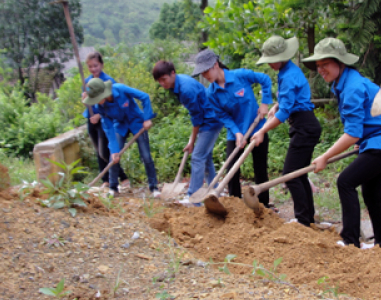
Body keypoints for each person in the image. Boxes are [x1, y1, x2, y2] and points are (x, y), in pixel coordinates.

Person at [303, 38, 381, 249]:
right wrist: (363, 140)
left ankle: (350, 240)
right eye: (318, 66)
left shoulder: (352, 87)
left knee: (345, 182)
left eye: (325, 64)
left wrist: (325, 157)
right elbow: (362, 125)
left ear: (340, 63)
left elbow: (352, 134)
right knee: (371, 195)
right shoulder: (344, 83)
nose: (321, 70)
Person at [251, 35, 322, 226]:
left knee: (290, 174)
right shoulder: (286, 71)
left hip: (305, 127)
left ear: (282, 57)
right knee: (299, 174)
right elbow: (287, 102)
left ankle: (302, 220)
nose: (270, 65)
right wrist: (276, 105)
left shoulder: (289, 75)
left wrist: (262, 130)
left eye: (272, 61)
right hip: (303, 124)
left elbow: (284, 114)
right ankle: (307, 217)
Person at [192, 49, 272, 208]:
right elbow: (222, 115)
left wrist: (264, 103)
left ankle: (263, 206)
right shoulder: (211, 93)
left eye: (206, 70)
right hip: (235, 133)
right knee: (231, 170)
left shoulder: (240, 76)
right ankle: (235, 205)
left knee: (260, 168)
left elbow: (265, 79)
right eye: (201, 72)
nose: (205, 76)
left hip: (257, 128)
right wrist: (236, 132)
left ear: (215, 65)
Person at [152, 60, 223, 201]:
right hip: (206, 118)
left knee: (197, 157)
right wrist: (193, 139)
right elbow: (196, 116)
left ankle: (193, 197)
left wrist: (192, 141)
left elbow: (196, 118)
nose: (162, 83)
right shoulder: (177, 84)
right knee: (205, 157)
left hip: (211, 120)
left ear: (173, 73)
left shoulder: (185, 89)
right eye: (159, 81)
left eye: (164, 79)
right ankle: (215, 190)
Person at [83, 78, 160, 197]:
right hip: (120, 125)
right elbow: (108, 128)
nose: (97, 102)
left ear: (104, 93)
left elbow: (144, 97)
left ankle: (154, 187)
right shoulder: (100, 107)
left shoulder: (120, 89)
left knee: (146, 155)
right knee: (113, 156)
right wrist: (114, 150)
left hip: (136, 122)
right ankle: (113, 188)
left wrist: (147, 118)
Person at [82, 52, 129, 190]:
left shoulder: (108, 81)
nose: (93, 69)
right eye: (90, 66)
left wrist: (100, 115)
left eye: (95, 65)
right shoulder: (87, 82)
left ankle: (122, 176)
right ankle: (105, 180)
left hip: (105, 119)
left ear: (101, 65)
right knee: (98, 150)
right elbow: (87, 101)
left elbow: (112, 104)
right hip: (90, 118)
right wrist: (85, 100)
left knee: (105, 151)